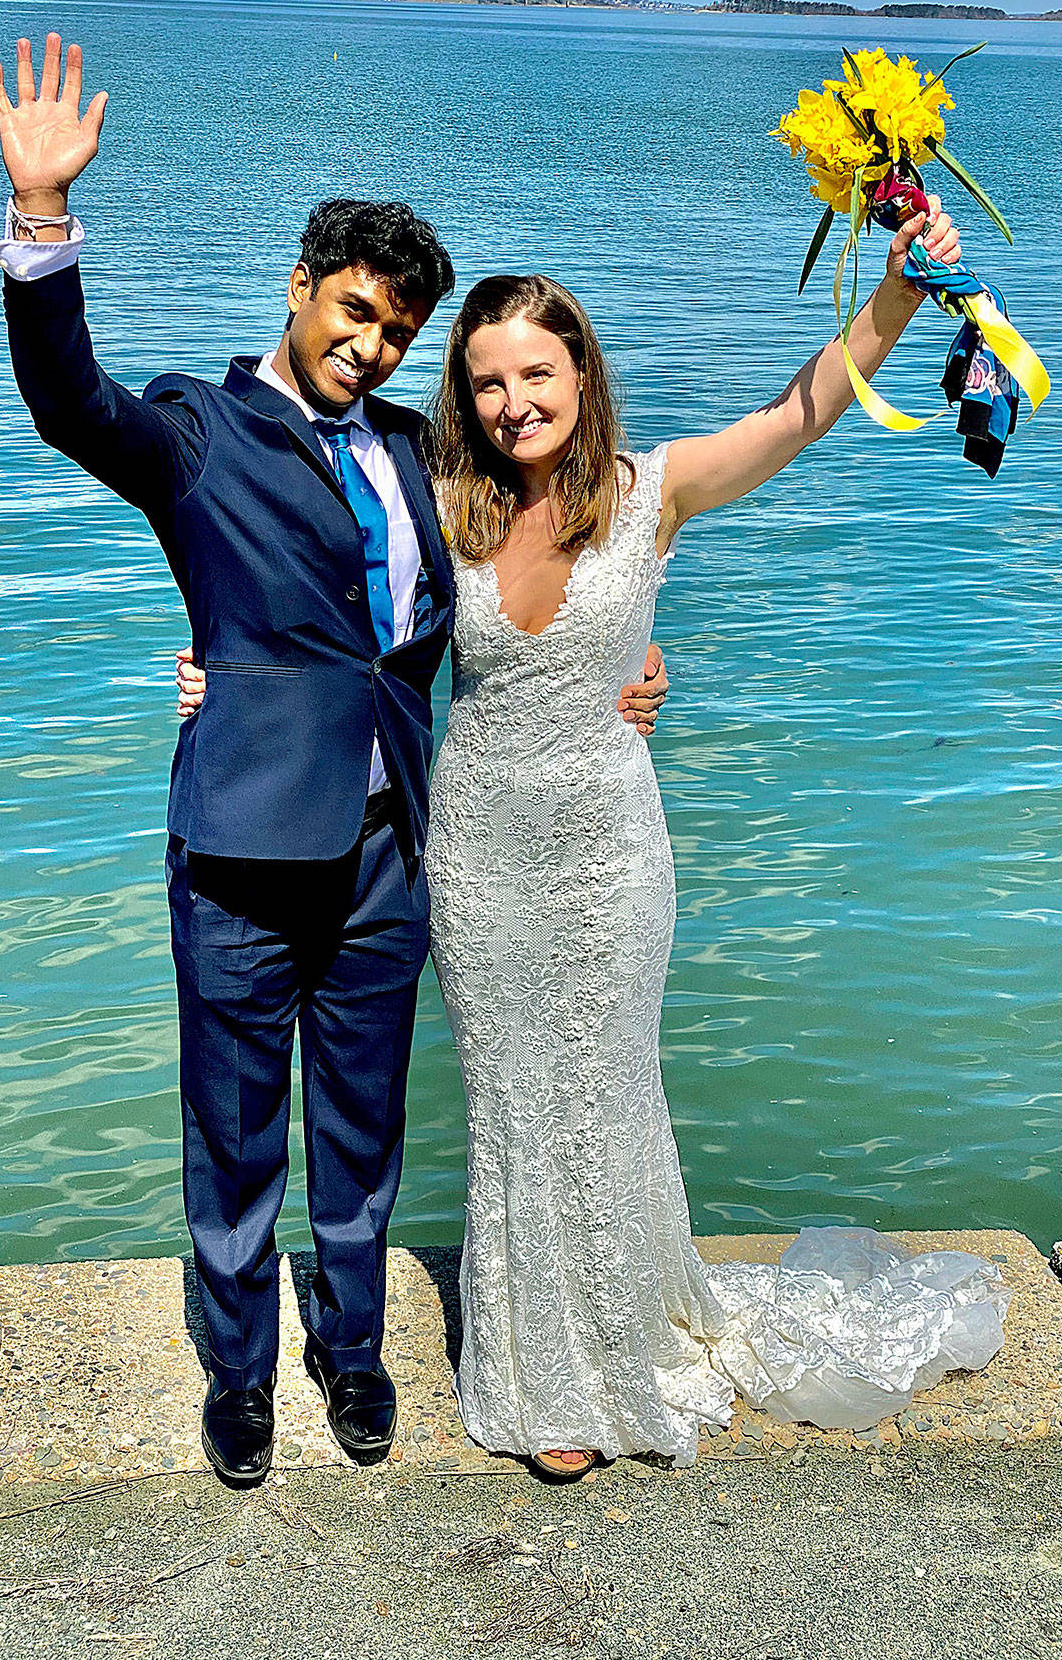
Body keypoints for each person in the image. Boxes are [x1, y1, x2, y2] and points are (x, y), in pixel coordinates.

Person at [0, 30, 671, 1489]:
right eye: (353, 312)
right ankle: (238, 1373)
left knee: (361, 1135)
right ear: (298, 290)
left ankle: (349, 1350)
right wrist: (43, 220)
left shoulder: (432, 450)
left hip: (392, 853)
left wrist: (626, 665)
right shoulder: (198, 431)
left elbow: (539, 555)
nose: (369, 345)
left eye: (395, 332)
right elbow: (68, 400)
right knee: (233, 1140)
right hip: (238, 852)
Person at [419, 253, 1012, 1479]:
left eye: (536, 370)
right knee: (513, 1104)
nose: (513, 401)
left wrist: (901, 288)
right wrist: (217, 669)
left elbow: (803, 408)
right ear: (461, 397)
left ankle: (607, 1359)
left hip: (605, 850)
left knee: (603, 1090)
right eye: (486, 383)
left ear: (580, 368)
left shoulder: (656, 489)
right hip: (476, 851)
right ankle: (533, 1361)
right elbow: (308, 581)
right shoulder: (443, 504)